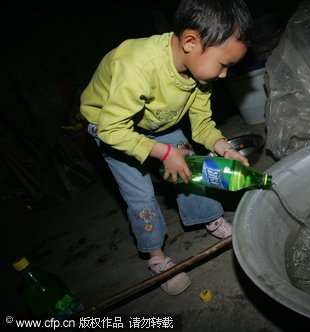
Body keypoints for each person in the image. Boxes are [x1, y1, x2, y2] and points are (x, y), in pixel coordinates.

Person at [80, 0, 253, 295]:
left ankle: (209, 217)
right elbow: (112, 129)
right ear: (190, 42)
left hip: (156, 120)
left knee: (190, 165)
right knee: (141, 196)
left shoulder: (200, 74)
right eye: (223, 65)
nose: (224, 75)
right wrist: (164, 152)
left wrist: (225, 149)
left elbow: (201, 125)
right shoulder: (136, 65)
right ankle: (155, 257)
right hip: (111, 125)